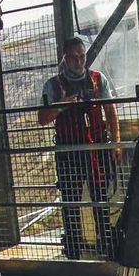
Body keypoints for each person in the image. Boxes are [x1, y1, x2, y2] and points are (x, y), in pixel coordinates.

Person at [37, 37, 123, 260]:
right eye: (74, 57)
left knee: (100, 196)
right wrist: (63, 104)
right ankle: (73, 246)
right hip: (69, 152)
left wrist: (116, 143)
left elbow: (110, 111)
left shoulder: (97, 79)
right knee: (70, 199)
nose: (79, 61)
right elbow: (42, 118)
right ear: (65, 59)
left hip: (96, 149)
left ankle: (106, 243)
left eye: (82, 56)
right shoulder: (53, 85)